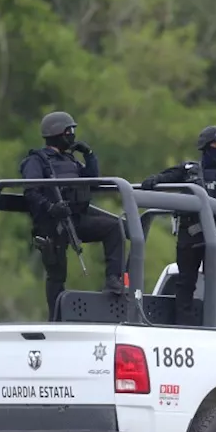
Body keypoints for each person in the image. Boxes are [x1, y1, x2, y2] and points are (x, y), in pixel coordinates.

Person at [141, 125, 216, 324]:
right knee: (185, 282)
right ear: (206, 145)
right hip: (190, 233)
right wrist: (153, 181)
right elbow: (164, 178)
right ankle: (183, 324)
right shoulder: (189, 170)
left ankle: (209, 323)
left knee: (215, 281)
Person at [21, 110, 126, 319]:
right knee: (57, 274)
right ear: (57, 133)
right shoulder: (37, 161)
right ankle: (56, 319)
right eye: (69, 131)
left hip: (75, 218)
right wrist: (50, 208)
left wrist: (89, 155)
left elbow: (92, 181)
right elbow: (30, 192)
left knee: (114, 227)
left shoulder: (70, 160)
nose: (72, 135)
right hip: (52, 224)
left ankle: (113, 279)